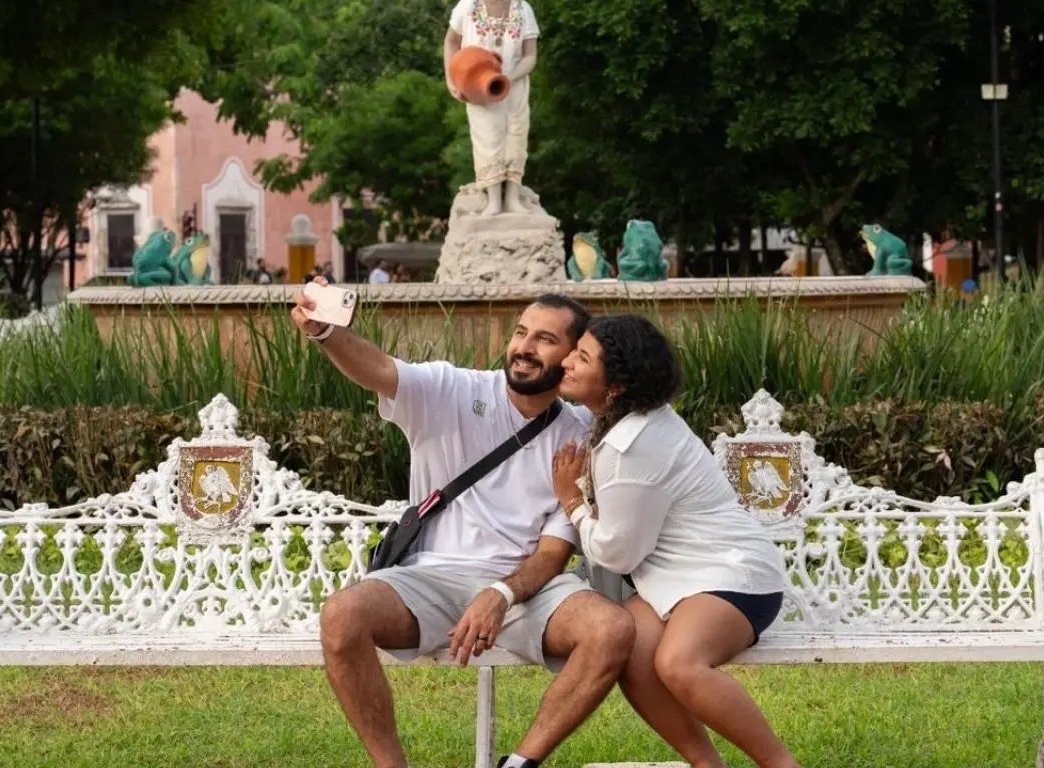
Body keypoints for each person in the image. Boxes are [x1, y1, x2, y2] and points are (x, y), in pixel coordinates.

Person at [291, 279, 635, 768]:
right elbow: (379, 371)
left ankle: (518, 764)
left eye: (545, 339)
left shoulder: (580, 435)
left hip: (523, 591)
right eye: (521, 332)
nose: (524, 348)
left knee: (612, 629)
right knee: (342, 616)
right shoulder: (454, 389)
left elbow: (551, 554)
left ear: (572, 356)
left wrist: (499, 594)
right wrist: (327, 334)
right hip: (427, 578)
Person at [550, 314, 798, 768]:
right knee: (635, 653)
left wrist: (573, 503)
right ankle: (706, 763)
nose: (566, 361)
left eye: (582, 357)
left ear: (617, 385)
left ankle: (782, 765)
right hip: (675, 582)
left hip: (734, 576)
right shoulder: (628, 422)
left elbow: (617, 552)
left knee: (678, 662)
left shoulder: (634, 446)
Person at [443, 0, 539, 216]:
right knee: (488, 137)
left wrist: (509, 77)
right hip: (479, 88)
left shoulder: (523, 9)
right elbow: (450, 42)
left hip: (514, 86)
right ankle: (493, 200)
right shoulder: (467, 7)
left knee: (516, 135)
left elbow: (530, 55)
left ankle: (513, 198)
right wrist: (452, 81)